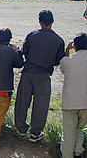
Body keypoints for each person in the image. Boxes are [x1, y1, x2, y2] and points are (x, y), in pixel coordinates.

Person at [15, 10, 65, 142]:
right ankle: (35, 133)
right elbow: (58, 60)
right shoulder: (58, 40)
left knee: (22, 101)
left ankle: (21, 128)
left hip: (28, 72)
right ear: (52, 22)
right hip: (43, 75)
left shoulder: (32, 35)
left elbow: (24, 52)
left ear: (40, 22)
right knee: (41, 104)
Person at [59, 33, 87, 158]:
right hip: (85, 102)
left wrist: (67, 50)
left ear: (74, 46)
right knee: (79, 129)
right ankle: (78, 152)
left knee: (69, 132)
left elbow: (63, 67)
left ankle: (67, 155)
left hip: (70, 102)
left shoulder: (68, 60)